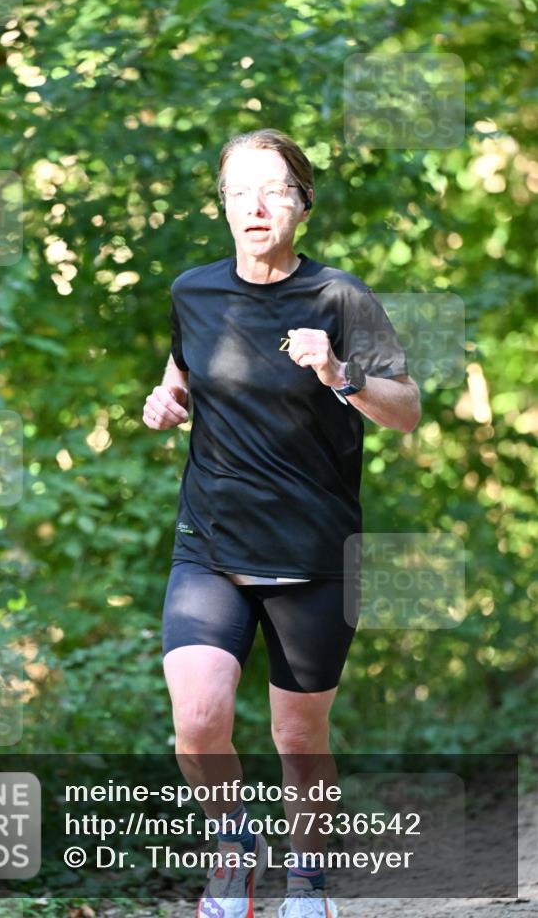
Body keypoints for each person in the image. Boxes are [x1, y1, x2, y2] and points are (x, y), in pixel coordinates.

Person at [143, 129, 421, 918]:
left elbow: (404, 410)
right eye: (238, 191)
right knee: (198, 721)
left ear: (302, 202)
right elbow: (183, 375)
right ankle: (232, 858)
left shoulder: (339, 299)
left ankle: (307, 883)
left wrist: (339, 374)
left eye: (272, 190)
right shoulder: (192, 291)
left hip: (313, 552)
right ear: (222, 205)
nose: (254, 206)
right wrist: (166, 403)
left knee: (299, 740)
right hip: (211, 543)